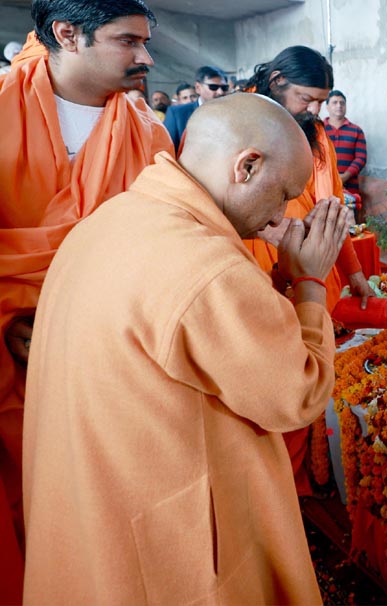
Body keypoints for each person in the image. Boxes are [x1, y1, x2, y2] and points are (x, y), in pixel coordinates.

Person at [22, 92, 348, 605]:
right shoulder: (207, 264)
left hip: (87, 512)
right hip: (170, 548)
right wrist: (310, 282)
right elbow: (297, 394)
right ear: (246, 166)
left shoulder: (113, 218)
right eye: (284, 193)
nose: (281, 214)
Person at [0, 0, 172, 601]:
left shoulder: (149, 134)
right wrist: (14, 322)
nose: (146, 57)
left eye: (145, 41)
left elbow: (163, 255)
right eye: (128, 41)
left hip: (106, 368)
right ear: (68, 35)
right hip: (11, 364)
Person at [243, 46, 375, 497]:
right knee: (276, 397)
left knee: (311, 384)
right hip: (258, 283)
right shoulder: (236, 122)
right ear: (276, 78)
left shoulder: (316, 134)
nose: (315, 109)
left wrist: (354, 271)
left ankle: (308, 481)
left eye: (321, 101)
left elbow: (331, 206)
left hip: (313, 280)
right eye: (307, 98)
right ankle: (284, 493)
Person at [163, 65, 228, 151]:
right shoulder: (177, 114)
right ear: (198, 88)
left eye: (224, 88)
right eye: (213, 87)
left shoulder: (232, 112)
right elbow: (166, 151)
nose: (220, 92)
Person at [324, 89, 367, 215]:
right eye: (335, 102)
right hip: (324, 187)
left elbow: (361, 158)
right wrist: (332, 179)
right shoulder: (319, 129)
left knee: (349, 227)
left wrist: (344, 177)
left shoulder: (356, 131)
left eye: (342, 103)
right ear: (327, 106)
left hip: (350, 189)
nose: (339, 106)